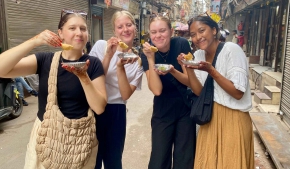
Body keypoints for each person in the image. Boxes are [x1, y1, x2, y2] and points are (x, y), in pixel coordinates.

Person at [0, 9, 107, 168]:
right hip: (46, 138)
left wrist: (83, 76)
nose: (79, 32)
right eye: (72, 28)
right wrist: (34, 41)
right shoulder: (45, 60)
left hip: (81, 139)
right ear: (60, 33)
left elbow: (99, 107)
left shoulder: (93, 64)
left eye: (83, 28)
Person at [180, 15, 254, 168]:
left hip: (233, 119)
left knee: (231, 162)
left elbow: (238, 93)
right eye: (193, 35)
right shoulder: (199, 55)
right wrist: (188, 68)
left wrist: (212, 71)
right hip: (209, 119)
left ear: (214, 30)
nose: (198, 37)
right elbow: (199, 91)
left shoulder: (231, 50)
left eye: (202, 31)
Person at [90, 10, 143, 169]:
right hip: (94, 108)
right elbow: (93, 80)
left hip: (117, 111)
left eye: (129, 25)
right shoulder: (101, 46)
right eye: (120, 27)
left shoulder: (137, 61)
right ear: (114, 31)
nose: (125, 29)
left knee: (113, 161)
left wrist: (120, 67)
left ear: (135, 28)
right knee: (92, 160)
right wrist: (109, 55)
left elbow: (125, 94)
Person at [141, 15, 196, 169]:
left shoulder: (181, 44)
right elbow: (157, 90)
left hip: (184, 108)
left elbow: (189, 81)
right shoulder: (146, 54)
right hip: (162, 109)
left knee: (184, 159)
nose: (158, 35)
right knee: (159, 160)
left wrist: (172, 71)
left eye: (162, 30)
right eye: (153, 32)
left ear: (171, 31)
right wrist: (151, 59)